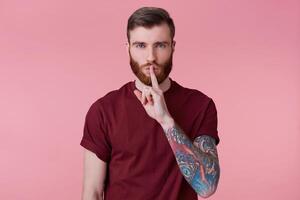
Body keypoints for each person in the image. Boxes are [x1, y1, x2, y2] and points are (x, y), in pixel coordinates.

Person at [80, 7, 220, 200]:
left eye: (160, 45)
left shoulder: (200, 105)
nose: (150, 57)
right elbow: (92, 192)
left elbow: (207, 187)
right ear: (127, 47)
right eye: (140, 45)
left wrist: (166, 121)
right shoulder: (103, 110)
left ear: (173, 46)